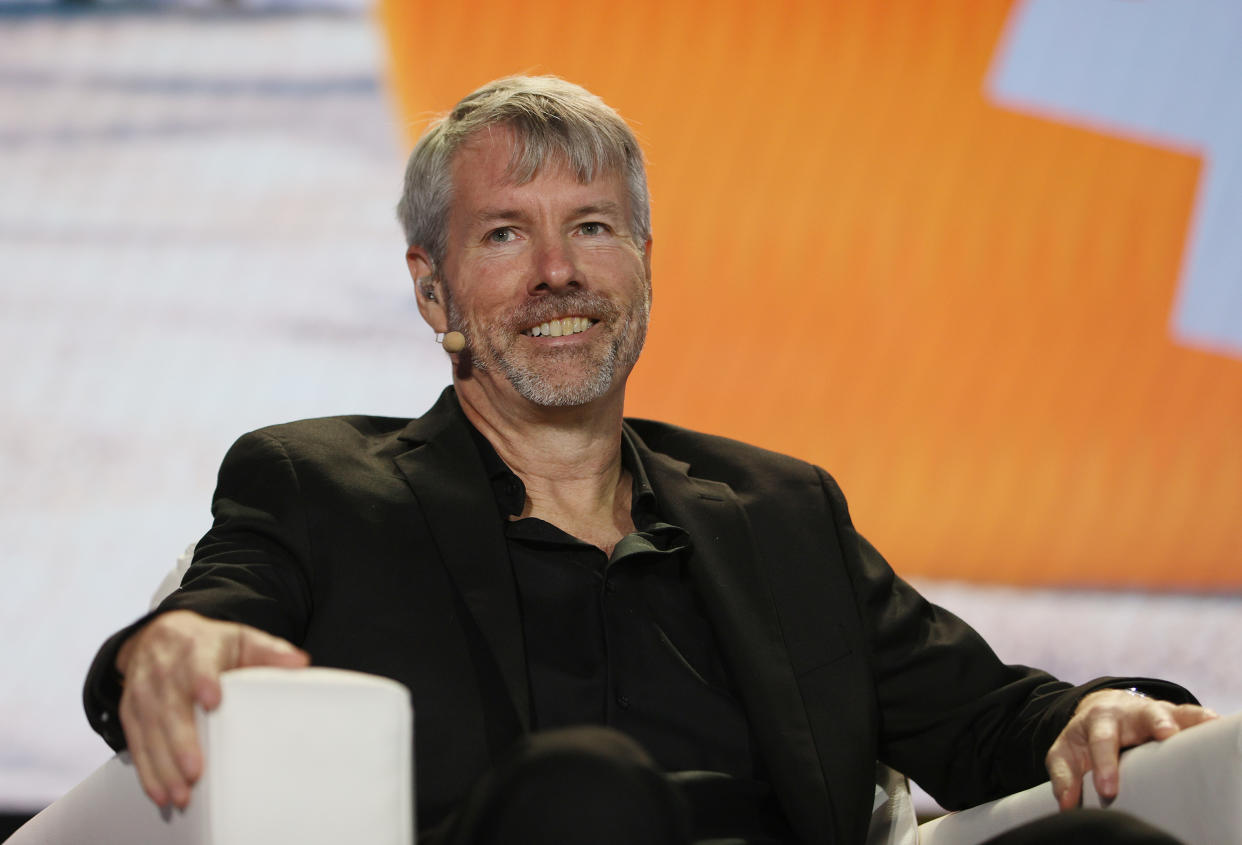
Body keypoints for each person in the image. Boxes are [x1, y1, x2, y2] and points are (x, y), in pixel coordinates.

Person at [84, 75, 1214, 844]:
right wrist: (171, 639)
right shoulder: (320, 481)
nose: (557, 272)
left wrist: (1101, 710)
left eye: (592, 226)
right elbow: (222, 606)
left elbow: (981, 718)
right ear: (433, 288)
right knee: (589, 793)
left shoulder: (777, 509)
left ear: (643, 263)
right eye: (504, 233)